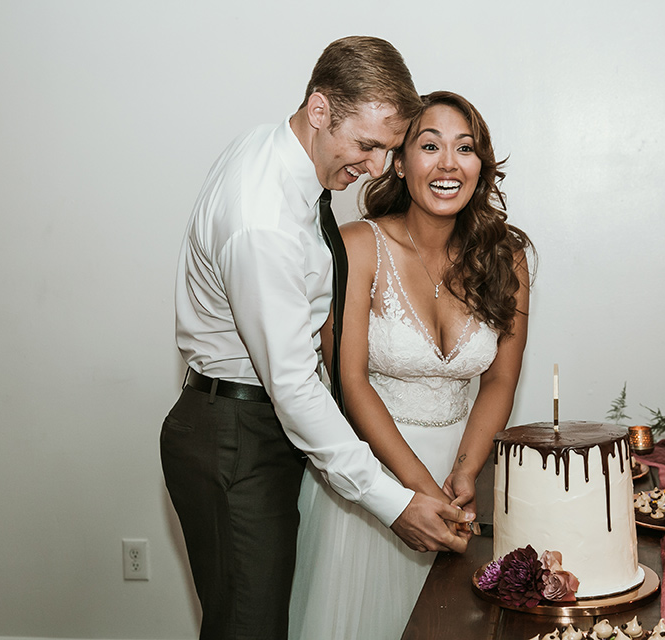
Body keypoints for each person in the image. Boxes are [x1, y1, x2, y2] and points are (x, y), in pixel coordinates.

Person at [160, 39, 473, 640]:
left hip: (258, 425)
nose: (378, 168)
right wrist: (394, 503)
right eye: (368, 146)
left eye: (388, 148)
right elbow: (293, 384)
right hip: (236, 440)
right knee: (249, 628)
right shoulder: (264, 222)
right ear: (321, 108)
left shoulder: (280, 151)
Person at [289, 91, 532, 640]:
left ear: (480, 166)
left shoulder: (506, 255)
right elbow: (349, 384)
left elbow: (500, 379)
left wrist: (465, 474)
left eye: (464, 148)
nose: (448, 163)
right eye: (429, 146)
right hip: (372, 480)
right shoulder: (357, 246)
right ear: (399, 162)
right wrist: (417, 493)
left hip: (459, 480)